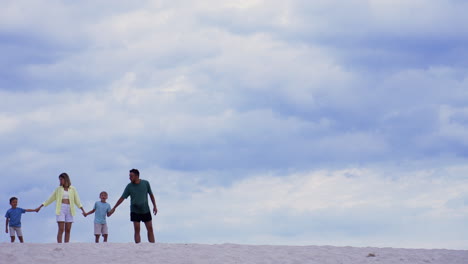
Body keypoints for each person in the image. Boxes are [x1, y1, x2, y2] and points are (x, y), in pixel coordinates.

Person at [109, 169, 158, 243]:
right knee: (137, 229)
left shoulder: (146, 183)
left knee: (150, 228)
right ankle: (138, 247)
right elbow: (122, 198)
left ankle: (153, 246)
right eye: (129, 176)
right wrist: (114, 208)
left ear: (136, 176)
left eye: (131, 176)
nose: (129, 178)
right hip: (135, 210)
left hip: (145, 210)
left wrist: (155, 206)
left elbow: (151, 195)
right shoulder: (129, 186)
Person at [35, 172, 86, 243]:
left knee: (68, 229)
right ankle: (59, 245)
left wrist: (83, 210)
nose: (60, 181)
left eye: (61, 179)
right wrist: (40, 207)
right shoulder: (58, 189)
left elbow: (77, 200)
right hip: (61, 208)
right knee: (61, 229)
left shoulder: (73, 189)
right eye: (59, 179)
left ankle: (66, 245)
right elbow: (50, 199)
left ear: (66, 179)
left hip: (70, 209)